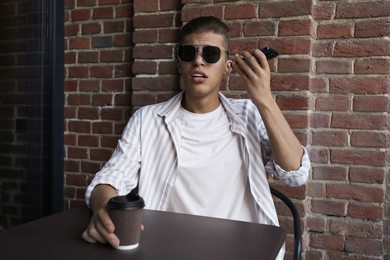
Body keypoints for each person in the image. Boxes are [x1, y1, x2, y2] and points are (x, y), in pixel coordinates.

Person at [82, 16, 310, 259]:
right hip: (167, 247)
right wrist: (104, 210)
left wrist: (264, 98)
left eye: (211, 54)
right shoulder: (147, 120)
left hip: (245, 249)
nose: (198, 61)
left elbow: (295, 174)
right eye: (188, 53)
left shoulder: (249, 115)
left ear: (227, 65)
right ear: (180, 63)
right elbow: (110, 179)